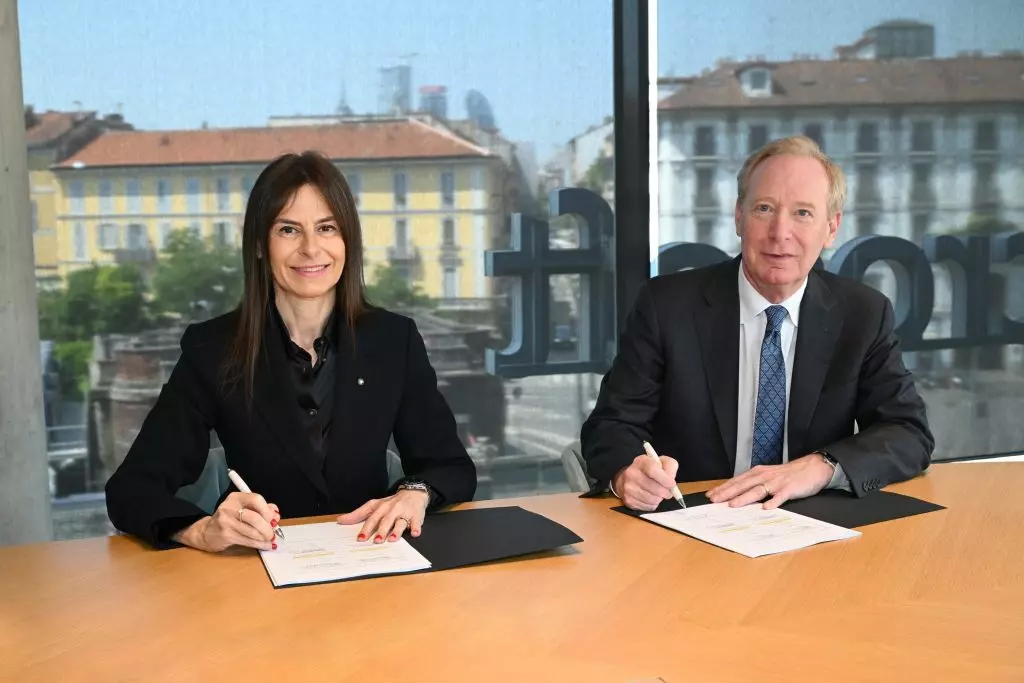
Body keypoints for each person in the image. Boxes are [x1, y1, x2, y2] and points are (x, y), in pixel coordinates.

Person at [106, 151, 476, 550]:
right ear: (260, 244)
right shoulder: (212, 349)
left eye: (327, 228)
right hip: (256, 568)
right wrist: (199, 529)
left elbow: (450, 467)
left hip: (373, 560)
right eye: (288, 230)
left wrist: (415, 493)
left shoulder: (393, 340)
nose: (311, 249)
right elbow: (131, 489)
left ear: (348, 240)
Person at [581, 135, 933, 511]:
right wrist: (627, 472)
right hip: (691, 518)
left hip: (810, 522)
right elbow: (611, 425)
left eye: (802, 213)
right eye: (764, 208)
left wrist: (820, 467)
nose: (780, 233)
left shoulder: (863, 314)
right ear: (739, 216)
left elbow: (908, 432)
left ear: (831, 228)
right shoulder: (667, 305)